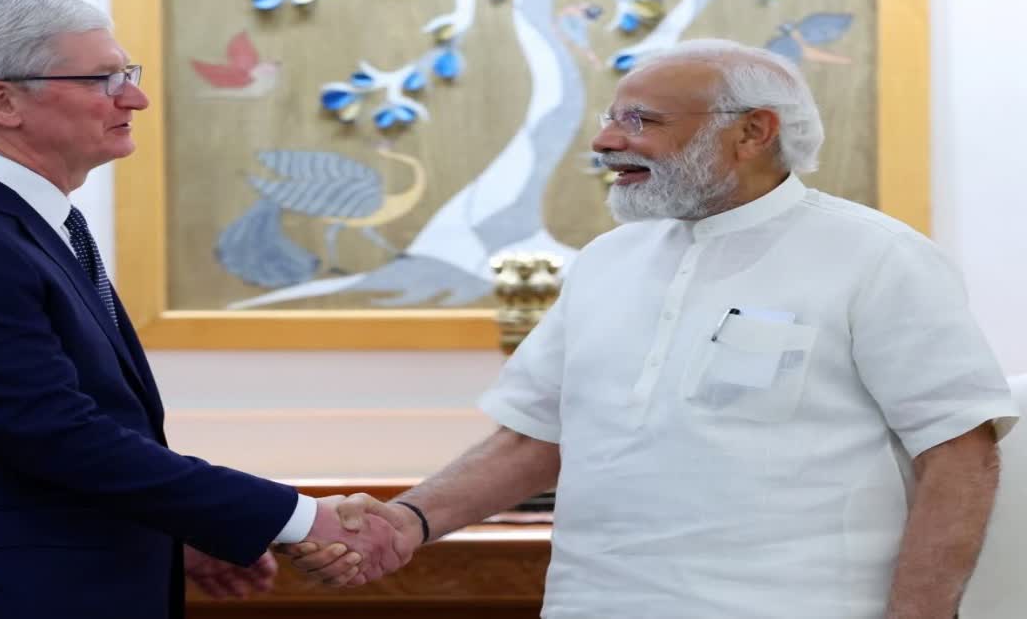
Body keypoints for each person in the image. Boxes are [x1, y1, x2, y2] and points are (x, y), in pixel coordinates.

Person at [287, 39, 1021, 618]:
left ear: (753, 132)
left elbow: (960, 456)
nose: (607, 139)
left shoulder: (880, 257)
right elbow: (533, 438)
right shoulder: (608, 261)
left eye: (642, 120)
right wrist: (408, 521)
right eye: (611, 116)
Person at [0, 0, 413, 619]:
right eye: (101, 80)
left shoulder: (20, 226)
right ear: (0, 102)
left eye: (127, 76)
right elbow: (58, 436)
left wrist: (174, 534)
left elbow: (81, 436)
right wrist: (297, 517)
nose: (133, 98)